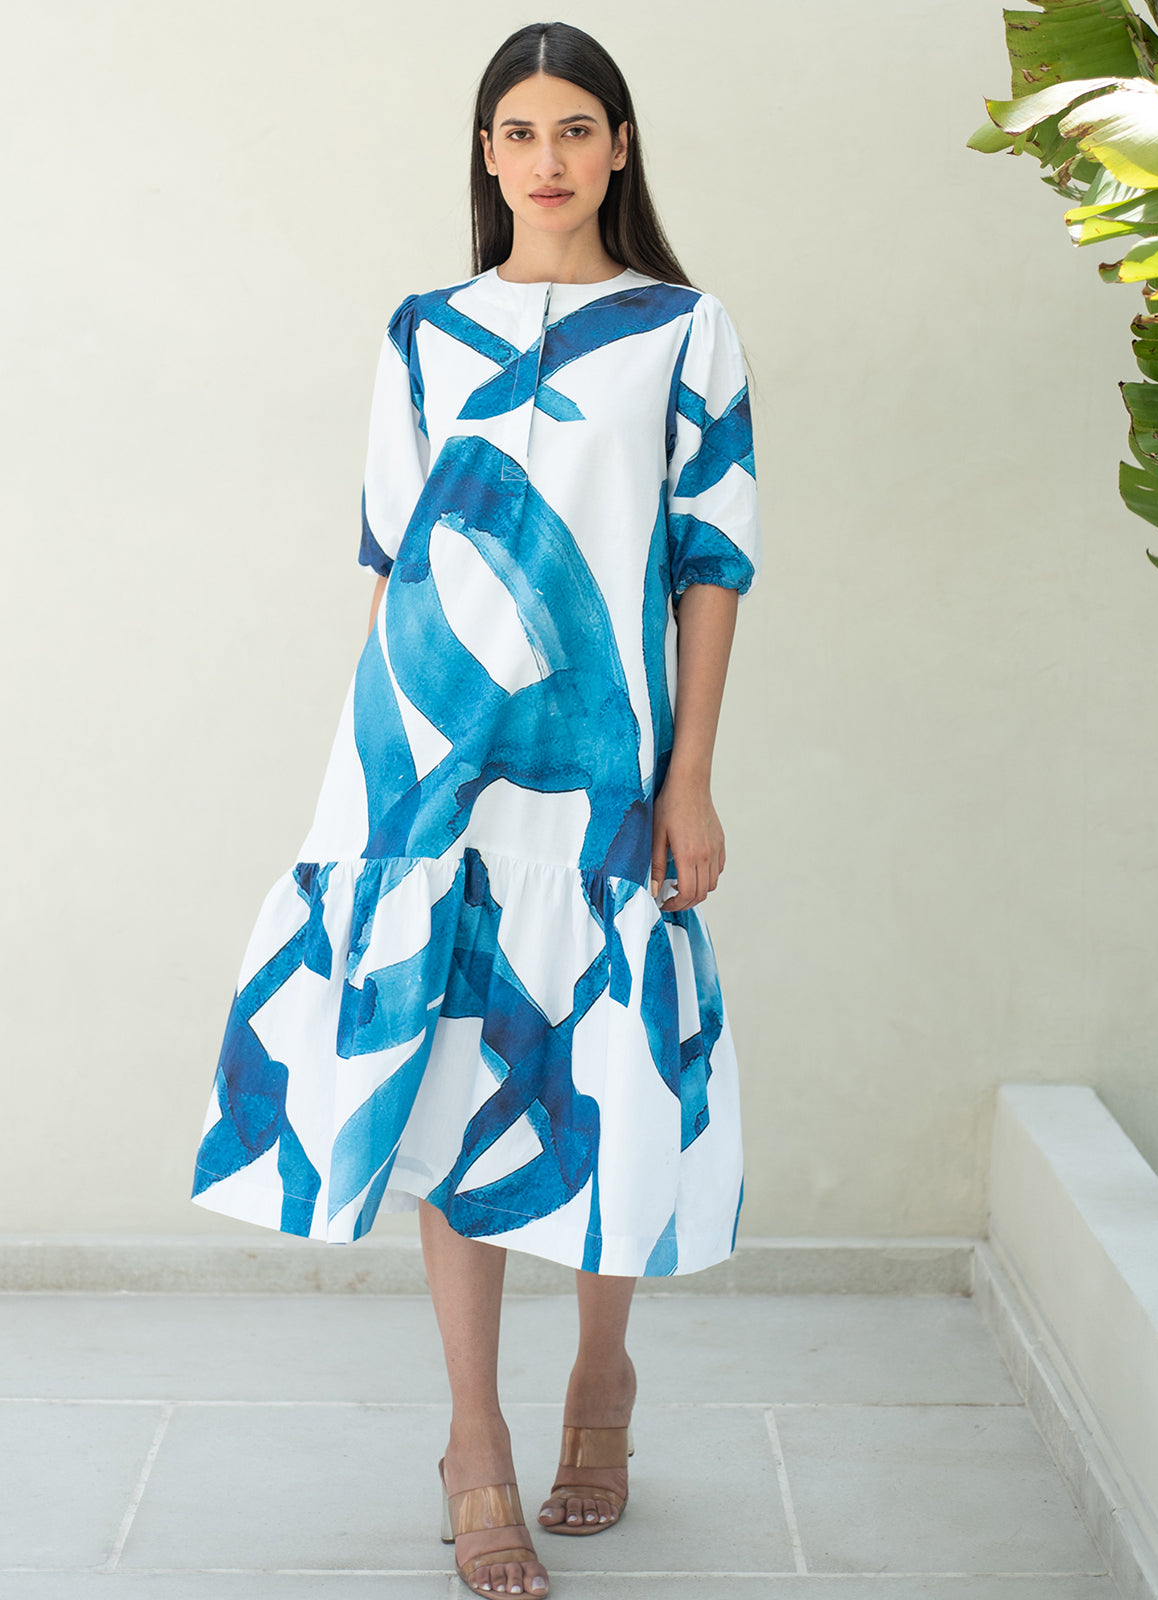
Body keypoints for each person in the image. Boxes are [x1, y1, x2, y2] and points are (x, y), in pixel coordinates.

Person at [190, 19, 761, 1598]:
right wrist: (372, 787)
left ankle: (601, 1376)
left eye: (577, 128)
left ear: (620, 148)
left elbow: (711, 565)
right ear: (487, 155)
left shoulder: (686, 332)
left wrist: (690, 776)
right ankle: (473, 1438)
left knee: (605, 1073)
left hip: (601, 772)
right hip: (424, 761)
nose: (548, 158)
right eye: (519, 131)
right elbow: (393, 559)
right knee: (455, 1079)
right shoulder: (425, 331)